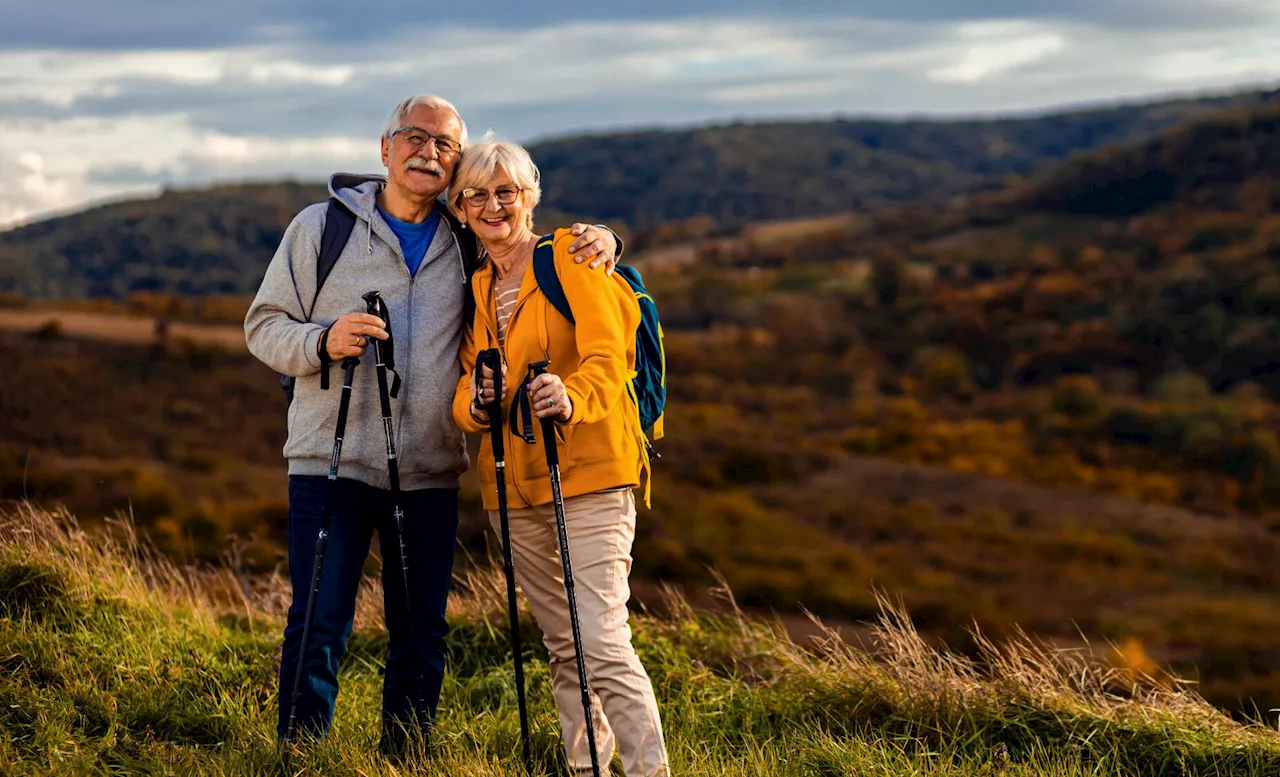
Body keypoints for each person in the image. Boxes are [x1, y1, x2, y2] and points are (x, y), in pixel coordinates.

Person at [244, 94, 619, 752]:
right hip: (328, 462)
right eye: (415, 137)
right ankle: (299, 756)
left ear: (455, 167)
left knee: (421, 628)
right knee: (319, 620)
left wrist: (608, 241)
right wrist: (324, 340)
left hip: (429, 469)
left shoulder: (465, 238)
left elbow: (524, 242)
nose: (429, 151)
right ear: (384, 148)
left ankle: (406, 757)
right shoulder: (319, 229)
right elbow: (263, 325)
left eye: (445, 144)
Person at [451, 140, 668, 776]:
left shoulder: (573, 256)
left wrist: (570, 396)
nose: (494, 205)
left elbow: (613, 357)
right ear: (461, 209)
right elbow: (466, 395)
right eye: (478, 196)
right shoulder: (480, 285)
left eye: (507, 192)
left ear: (529, 199)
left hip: (592, 474)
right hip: (513, 491)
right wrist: (479, 400)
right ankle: (587, 768)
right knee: (564, 647)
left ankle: (649, 771)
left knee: (601, 640)